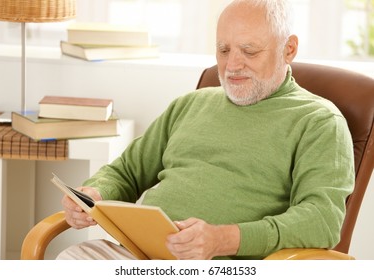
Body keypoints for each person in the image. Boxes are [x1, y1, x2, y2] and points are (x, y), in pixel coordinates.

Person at [57, 0, 355, 260]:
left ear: (288, 49)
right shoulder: (191, 104)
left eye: (249, 51)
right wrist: (94, 194)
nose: (232, 65)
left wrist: (223, 239)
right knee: (72, 259)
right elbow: (125, 172)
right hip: (137, 255)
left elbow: (322, 221)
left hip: (228, 265)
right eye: (223, 49)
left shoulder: (318, 121)